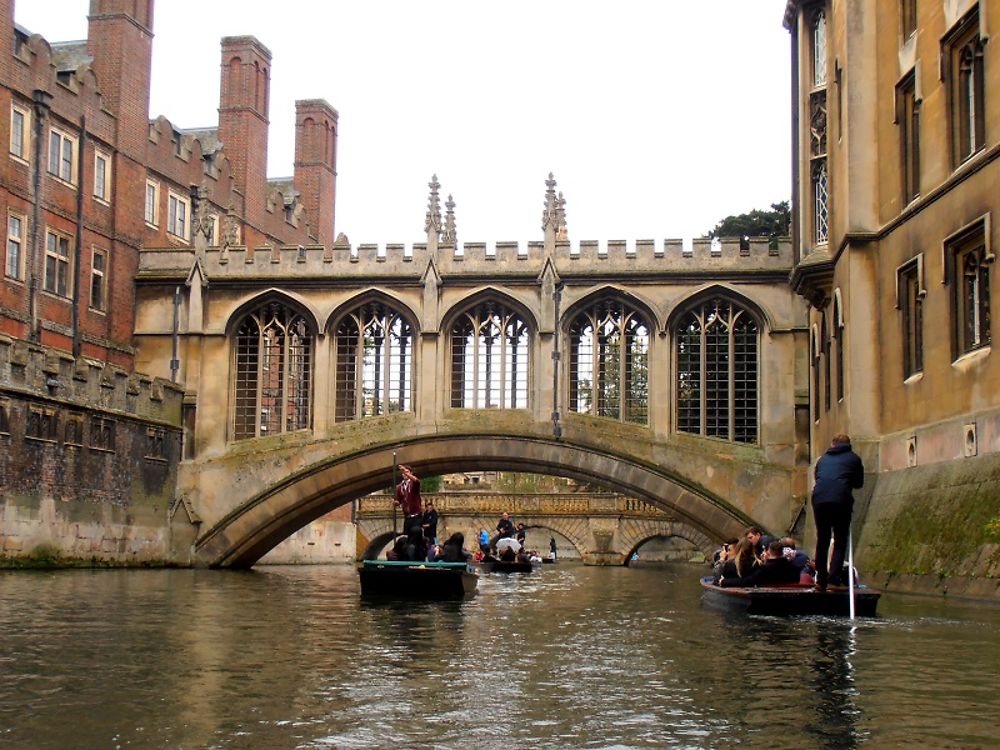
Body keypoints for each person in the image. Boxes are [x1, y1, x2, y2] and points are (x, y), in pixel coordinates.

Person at [811, 433, 864, 591]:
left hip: (819, 498)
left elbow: (818, 478)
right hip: (841, 499)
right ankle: (833, 581)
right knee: (840, 541)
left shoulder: (822, 460)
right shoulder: (854, 459)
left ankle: (820, 581)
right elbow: (859, 483)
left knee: (823, 540)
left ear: (833, 444)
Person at [720, 541, 800, 587]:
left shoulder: (764, 569)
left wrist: (725, 582)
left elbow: (747, 582)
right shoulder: (795, 569)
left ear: (768, 552)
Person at [394, 464, 422, 536]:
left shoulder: (413, 483)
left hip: (416, 516)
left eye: (407, 472)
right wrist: (396, 503)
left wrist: (405, 472)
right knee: (406, 536)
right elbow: (399, 501)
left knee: (416, 535)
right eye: (403, 473)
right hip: (407, 517)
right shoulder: (399, 487)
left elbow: (417, 481)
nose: (405, 474)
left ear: (411, 473)